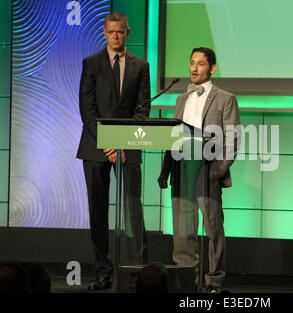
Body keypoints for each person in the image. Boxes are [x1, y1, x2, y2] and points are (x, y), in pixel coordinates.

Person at [76, 12, 150, 290]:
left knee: (133, 209)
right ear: (104, 33)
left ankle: (139, 271)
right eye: (110, 32)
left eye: (120, 32)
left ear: (127, 33)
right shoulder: (91, 63)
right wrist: (108, 142)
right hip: (96, 148)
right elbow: (87, 109)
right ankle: (103, 271)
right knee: (98, 212)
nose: (115, 37)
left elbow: (143, 109)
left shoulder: (140, 66)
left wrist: (122, 142)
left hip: (129, 147)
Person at [158, 47, 240, 293]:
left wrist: (219, 171)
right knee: (183, 230)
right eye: (191, 62)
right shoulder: (181, 99)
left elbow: (233, 138)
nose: (194, 68)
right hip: (182, 168)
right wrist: (166, 170)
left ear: (212, 68)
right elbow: (173, 136)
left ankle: (213, 281)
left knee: (212, 228)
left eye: (201, 64)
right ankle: (186, 281)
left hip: (207, 169)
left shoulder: (225, 98)